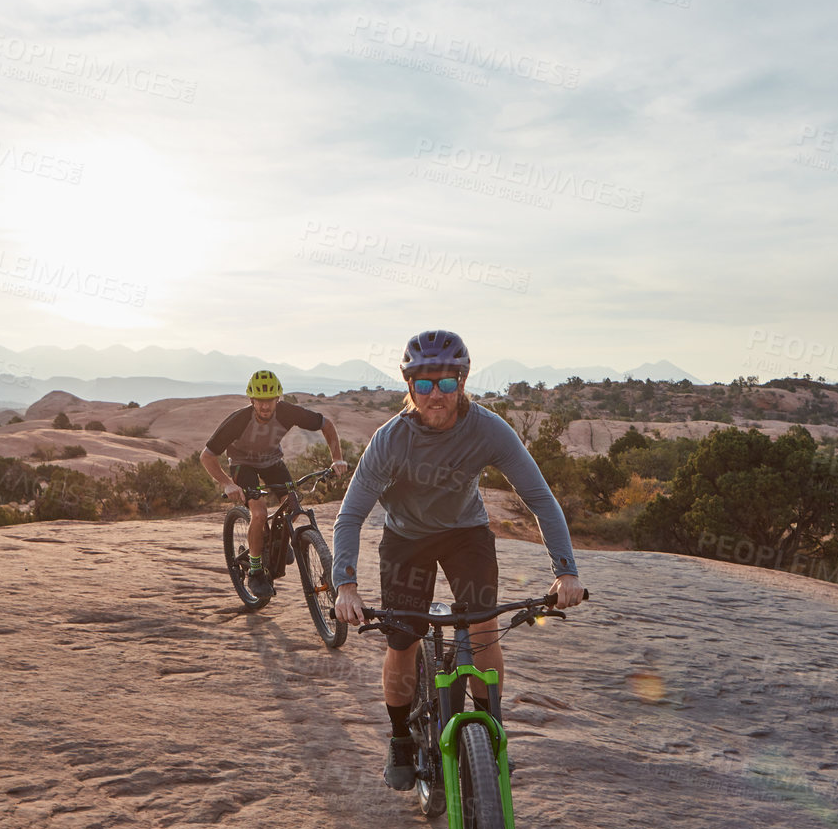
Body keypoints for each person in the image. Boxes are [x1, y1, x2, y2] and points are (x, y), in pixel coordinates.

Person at [331, 331, 586, 790]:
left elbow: (540, 499)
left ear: (463, 383)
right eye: (425, 384)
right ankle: (400, 740)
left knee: (484, 628)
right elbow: (350, 516)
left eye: (448, 384)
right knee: (403, 641)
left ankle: (492, 732)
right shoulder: (389, 440)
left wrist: (565, 571)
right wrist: (344, 583)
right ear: (409, 387)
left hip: (466, 534)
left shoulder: (489, 430)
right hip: (406, 539)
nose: (436, 395)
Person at [200, 370, 348, 596]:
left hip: (272, 462)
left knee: (293, 506)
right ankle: (256, 571)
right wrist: (227, 483)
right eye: (260, 401)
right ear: (251, 400)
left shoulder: (288, 412)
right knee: (258, 513)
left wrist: (336, 457)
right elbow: (207, 456)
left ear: (278, 399)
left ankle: (275, 542)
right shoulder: (238, 421)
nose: (265, 406)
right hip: (243, 464)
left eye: (269, 400)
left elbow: (326, 425)